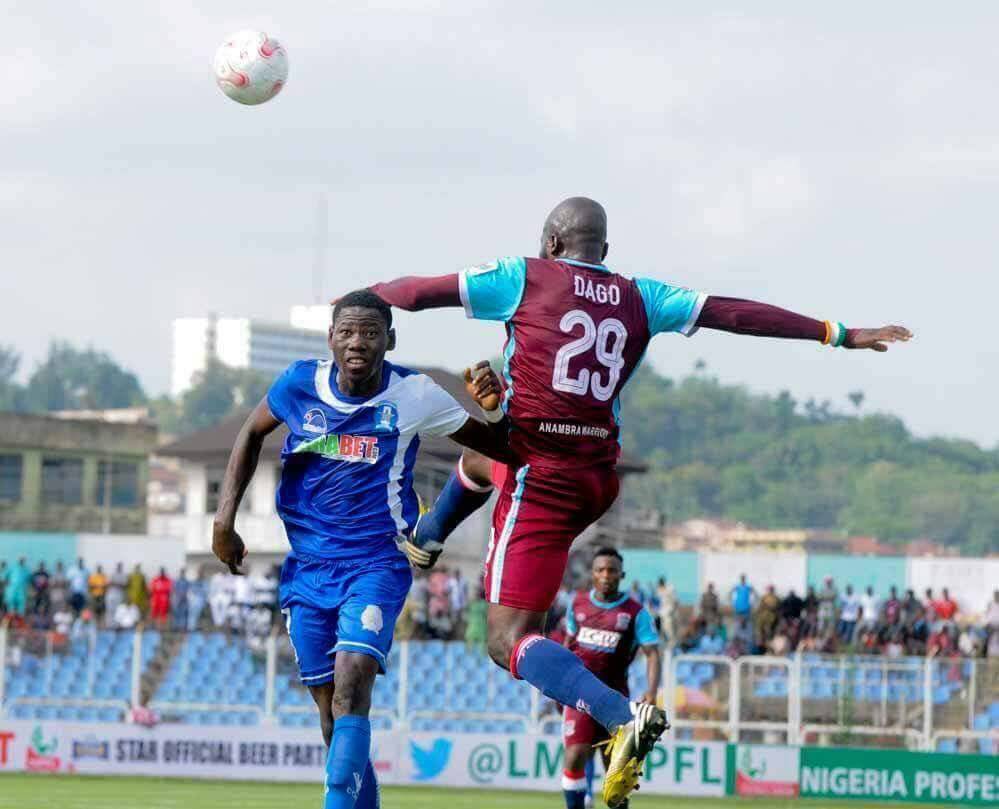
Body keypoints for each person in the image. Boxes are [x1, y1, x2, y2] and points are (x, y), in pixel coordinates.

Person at [368, 196, 910, 807]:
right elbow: (734, 312)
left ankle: (622, 716)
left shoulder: (526, 276)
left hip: (540, 479)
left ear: (550, 242)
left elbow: (416, 293)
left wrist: (364, 298)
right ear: (605, 250)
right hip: (596, 478)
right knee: (478, 455)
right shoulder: (641, 295)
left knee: (506, 640)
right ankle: (429, 536)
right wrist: (838, 333)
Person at [210, 290, 510, 809]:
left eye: (370, 332)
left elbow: (501, 450)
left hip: (377, 563)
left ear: (389, 340)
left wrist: (496, 409)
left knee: (353, 685)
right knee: (331, 716)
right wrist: (223, 519)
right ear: (330, 338)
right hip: (307, 569)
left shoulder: (415, 394)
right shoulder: (300, 383)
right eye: (346, 332)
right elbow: (249, 434)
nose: (357, 343)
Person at [560, 548, 660, 809]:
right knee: (574, 756)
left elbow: (652, 653)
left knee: (615, 772)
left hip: (614, 697)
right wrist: (558, 685)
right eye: (601, 570)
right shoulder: (577, 604)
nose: (606, 575)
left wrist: (651, 691)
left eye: (612, 570)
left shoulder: (636, 612)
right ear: (592, 574)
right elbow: (568, 645)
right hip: (579, 694)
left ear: (622, 575)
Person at [656, 577, 678, 648]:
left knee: (669, 629)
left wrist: (672, 611)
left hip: (669, 613)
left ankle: (672, 645)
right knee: (661, 630)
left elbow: (675, 601)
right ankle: (663, 645)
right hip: (660, 613)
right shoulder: (658, 590)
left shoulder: (670, 589)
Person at [105, 563, 128, 628]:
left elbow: (124, 585)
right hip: (111, 595)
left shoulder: (123, 575)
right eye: (118, 566)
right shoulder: (112, 574)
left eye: (120, 566)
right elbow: (109, 583)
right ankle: (109, 625)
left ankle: (118, 625)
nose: (118, 568)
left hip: (119, 595)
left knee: (118, 611)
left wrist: (115, 583)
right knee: (110, 610)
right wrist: (115, 583)